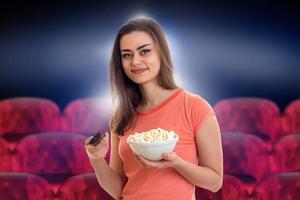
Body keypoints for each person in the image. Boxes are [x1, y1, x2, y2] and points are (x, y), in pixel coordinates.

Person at [85, 17, 223, 200]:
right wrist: (96, 160)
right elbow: (119, 190)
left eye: (145, 51)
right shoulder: (122, 115)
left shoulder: (195, 107)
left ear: (161, 53)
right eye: (127, 55)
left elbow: (214, 182)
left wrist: (176, 163)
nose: (135, 61)